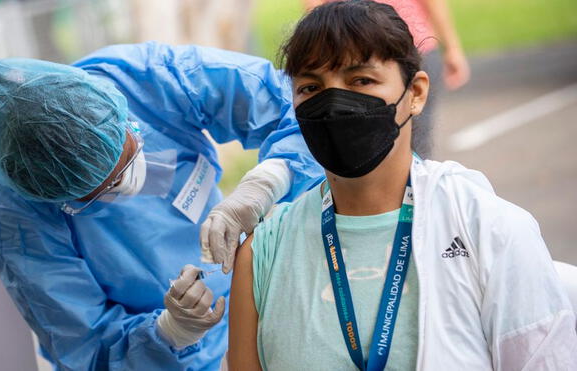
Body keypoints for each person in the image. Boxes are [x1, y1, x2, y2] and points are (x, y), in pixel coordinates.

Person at [228, 2, 577, 370]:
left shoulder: (487, 227)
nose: (333, 104)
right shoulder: (262, 253)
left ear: (417, 93)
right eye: (311, 87)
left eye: (361, 80)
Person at [0, 42, 323, 370]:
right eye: (101, 190)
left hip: (260, 303)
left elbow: (302, 104)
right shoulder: (15, 221)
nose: (128, 184)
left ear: (121, 113)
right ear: (55, 197)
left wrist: (270, 180)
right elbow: (86, 347)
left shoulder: (145, 79)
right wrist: (171, 332)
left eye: (127, 157)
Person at [304, 0, 470, 158]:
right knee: (407, 136)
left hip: (376, 49)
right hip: (360, 51)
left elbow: (314, 7)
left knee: (366, 139)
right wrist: (452, 48)